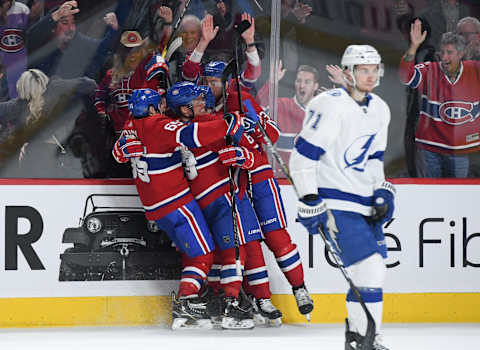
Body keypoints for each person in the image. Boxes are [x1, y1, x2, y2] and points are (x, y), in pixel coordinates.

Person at [113, 87, 245, 330]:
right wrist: (226, 125)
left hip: (155, 208)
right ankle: (186, 302)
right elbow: (190, 135)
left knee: (198, 250)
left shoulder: (131, 125)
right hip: (175, 202)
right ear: (152, 108)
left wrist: (121, 149)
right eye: (160, 103)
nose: (163, 107)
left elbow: (118, 151)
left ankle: (193, 300)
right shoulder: (157, 125)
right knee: (204, 252)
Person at [290, 45, 394, 350]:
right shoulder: (329, 105)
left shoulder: (380, 109)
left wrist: (382, 191)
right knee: (371, 266)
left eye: (374, 69)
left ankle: (358, 337)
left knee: (369, 272)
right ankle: (367, 339)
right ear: (347, 72)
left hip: (364, 203)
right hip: (336, 202)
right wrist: (310, 199)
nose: (370, 75)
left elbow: (374, 160)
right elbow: (302, 159)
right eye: (363, 69)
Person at [399, 20, 480, 177]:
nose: (444, 57)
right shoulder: (430, 69)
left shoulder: (475, 70)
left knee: (457, 195)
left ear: (461, 54)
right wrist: (413, 47)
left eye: (449, 52)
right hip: (430, 148)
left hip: (460, 149)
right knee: (430, 194)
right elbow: (405, 76)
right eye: (442, 52)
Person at [0, 68, 97, 177]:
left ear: (21, 87)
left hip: (35, 157)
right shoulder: (55, 91)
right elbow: (89, 84)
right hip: (53, 154)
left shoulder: (17, 106)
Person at [256, 61, 319, 166]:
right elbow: (256, 110)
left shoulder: (322, 112)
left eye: (307, 82)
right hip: (283, 178)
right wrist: (271, 83)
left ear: (315, 86)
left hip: (311, 178)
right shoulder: (281, 105)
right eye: (299, 81)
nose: (302, 85)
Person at [0, 0, 30, 99]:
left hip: (19, 61)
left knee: (18, 94)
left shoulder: (22, 9)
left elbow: (30, 36)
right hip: (3, 63)